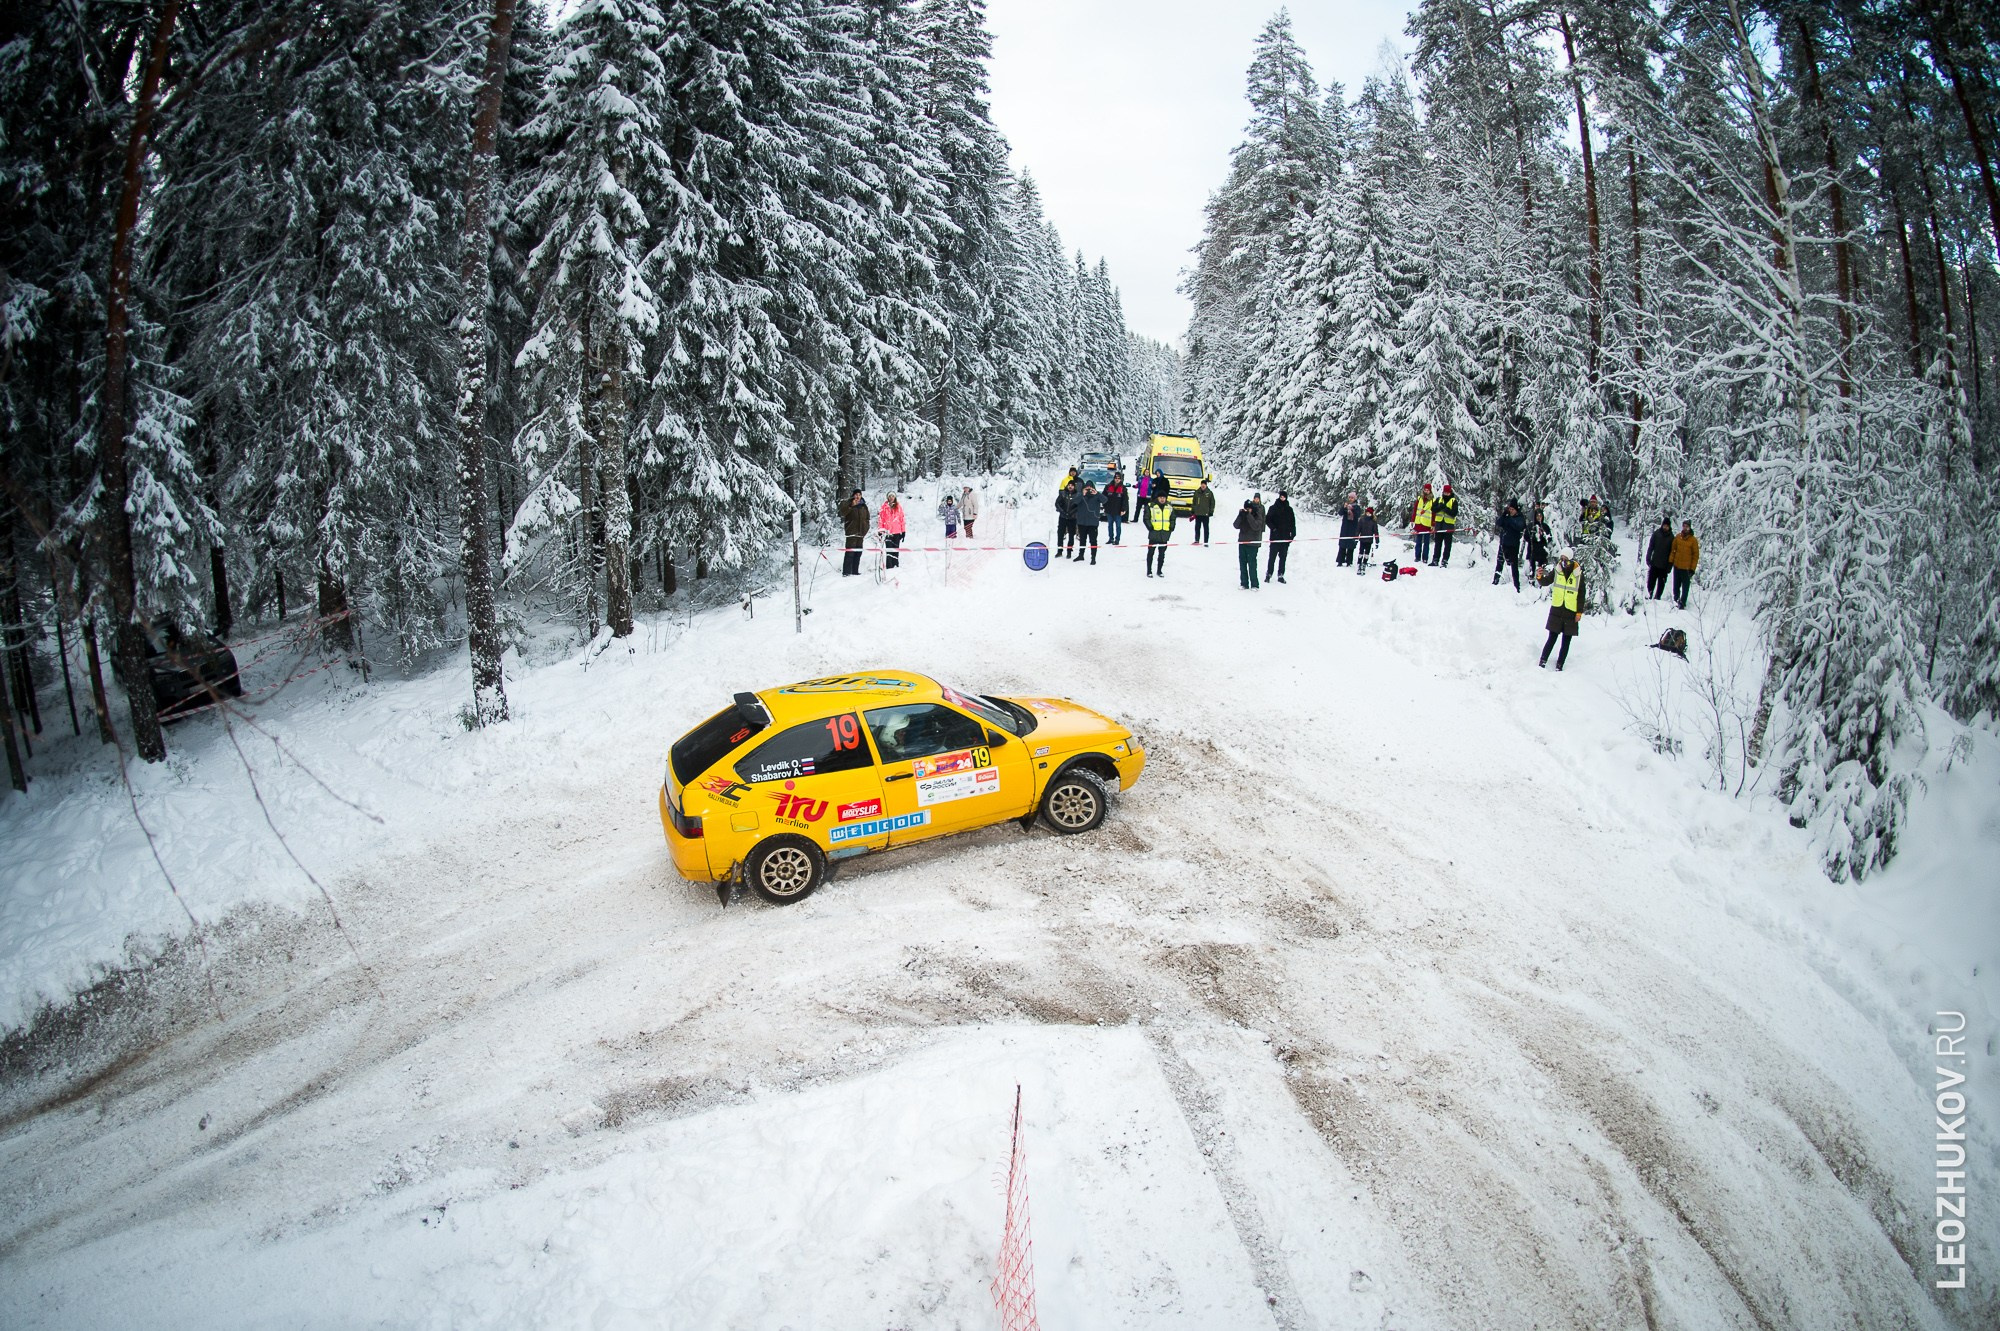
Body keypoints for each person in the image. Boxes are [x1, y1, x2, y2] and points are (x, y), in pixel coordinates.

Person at [1540, 547, 1585, 670]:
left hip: (1571, 611)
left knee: (1566, 641)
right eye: (1562, 558)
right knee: (1552, 637)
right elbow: (1546, 581)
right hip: (1557, 609)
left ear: (1571, 559)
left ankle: (1560, 665)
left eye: (1566, 559)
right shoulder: (1557, 570)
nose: (1563, 561)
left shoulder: (1578, 574)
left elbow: (1581, 594)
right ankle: (1542, 661)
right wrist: (1539, 577)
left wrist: (1579, 612)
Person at [1233, 497, 1266, 589]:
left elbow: (1256, 526)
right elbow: (1235, 525)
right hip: (1242, 542)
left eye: (1249, 509)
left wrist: (1249, 515)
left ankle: (1255, 584)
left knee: (1252, 564)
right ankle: (1244, 583)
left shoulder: (1257, 515)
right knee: (1242, 563)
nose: (1248, 510)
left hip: (1253, 543)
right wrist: (1240, 515)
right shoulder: (1243, 515)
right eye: (1246, 509)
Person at [1493, 501, 1526, 591]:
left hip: (1513, 545)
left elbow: (1519, 526)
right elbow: (1499, 523)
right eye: (1510, 509)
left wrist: (1510, 519)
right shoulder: (1506, 517)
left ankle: (1516, 586)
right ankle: (1495, 581)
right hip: (1503, 544)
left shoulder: (1520, 518)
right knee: (1499, 563)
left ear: (1516, 510)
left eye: (1512, 509)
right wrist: (1504, 515)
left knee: (1514, 566)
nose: (1511, 511)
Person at [1144, 488, 1176, 577]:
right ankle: (1149, 571)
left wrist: (1172, 527)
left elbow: (1173, 518)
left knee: (1162, 554)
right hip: (1154, 534)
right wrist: (1150, 527)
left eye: (1164, 497)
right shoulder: (1151, 506)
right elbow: (1146, 518)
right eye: (1160, 497)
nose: (1162, 499)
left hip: (1164, 535)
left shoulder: (1169, 507)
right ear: (1157, 498)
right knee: (1151, 553)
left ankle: (1159, 570)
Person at [1266, 491, 1296, 583]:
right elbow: (1267, 520)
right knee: (1272, 557)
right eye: (1281, 497)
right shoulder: (1273, 508)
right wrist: (1274, 529)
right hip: (1275, 537)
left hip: (1285, 538)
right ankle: (1269, 574)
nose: (1282, 498)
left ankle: (1281, 575)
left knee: (1283, 558)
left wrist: (1292, 535)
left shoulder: (1289, 509)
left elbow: (1292, 523)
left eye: (1284, 497)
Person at [1670, 521, 1700, 608]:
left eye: (1687, 527)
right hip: (1677, 566)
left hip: (1686, 568)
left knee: (1685, 588)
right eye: (1684, 526)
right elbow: (1673, 550)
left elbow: (1695, 555)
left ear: (1690, 528)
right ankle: (1675, 600)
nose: (1685, 528)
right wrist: (1670, 562)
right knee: (1676, 585)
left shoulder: (1693, 540)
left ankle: (1682, 603)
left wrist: (1692, 569)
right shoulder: (1678, 537)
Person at [841, 489, 870, 576]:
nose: (857, 496)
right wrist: (851, 506)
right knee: (850, 553)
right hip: (851, 533)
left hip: (860, 534)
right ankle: (846, 572)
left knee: (858, 553)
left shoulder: (864, 506)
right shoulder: (848, 504)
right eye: (856, 495)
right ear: (853, 496)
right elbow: (843, 513)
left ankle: (855, 571)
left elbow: (867, 518)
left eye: (859, 495)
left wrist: (865, 529)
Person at [1072, 483, 1103, 564]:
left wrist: (1097, 493)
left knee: (1093, 541)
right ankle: (1081, 555)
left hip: (1093, 523)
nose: (1089, 489)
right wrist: (1082, 494)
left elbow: (1105, 500)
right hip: (1082, 522)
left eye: (1090, 487)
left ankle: (1093, 558)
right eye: (1087, 487)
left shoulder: (1096, 495)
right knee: (1082, 540)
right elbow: (1074, 501)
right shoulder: (1081, 495)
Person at [1645, 518, 1674, 600]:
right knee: (1650, 582)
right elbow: (1651, 547)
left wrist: (1669, 566)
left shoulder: (1672, 538)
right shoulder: (1656, 534)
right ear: (1662, 525)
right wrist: (1648, 557)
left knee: (1661, 584)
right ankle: (1648, 596)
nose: (1665, 527)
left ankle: (1658, 598)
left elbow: (1672, 553)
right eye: (1664, 525)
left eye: (1667, 526)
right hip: (1654, 563)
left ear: (1669, 527)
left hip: (1664, 566)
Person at [1432, 483, 1459, 566]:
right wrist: (1439, 507)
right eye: (1445, 492)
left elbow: (1454, 513)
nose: (1446, 494)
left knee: (1447, 545)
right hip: (1439, 525)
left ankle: (1445, 560)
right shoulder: (1439, 499)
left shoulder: (1453, 501)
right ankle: (1435, 559)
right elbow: (1433, 509)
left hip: (1448, 526)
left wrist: (1446, 509)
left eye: (1448, 493)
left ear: (1450, 493)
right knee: (1437, 544)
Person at [879, 493, 906, 569]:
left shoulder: (899, 507)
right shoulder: (884, 507)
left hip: (897, 532)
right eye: (890, 496)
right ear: (887, 497)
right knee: (889, 550)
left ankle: (896, 565)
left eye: (893, 496)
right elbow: (881, 520)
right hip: (887, 532)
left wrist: (903, 531)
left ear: (895, 497)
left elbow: (902, 520)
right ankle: (889, 566)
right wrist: (880, 530)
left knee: (896, 549)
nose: (891, 498)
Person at [1526, 503, 1553, 581]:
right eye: (1537, 516)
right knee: (1532, 566)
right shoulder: (1531, 526)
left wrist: (1544, 537)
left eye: (1540, 516)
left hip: (1542, 550)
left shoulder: (1545, 526)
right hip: (1533, 549)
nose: (1539, 518)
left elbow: (1549, 538)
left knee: (1543, 567)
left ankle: (1543, 581)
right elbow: (1526, 537)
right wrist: (1532, 537)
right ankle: (1531, 579)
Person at [1412, 483, 1436, 565]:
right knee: (1418, 542)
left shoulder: (1432, 500)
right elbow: (1415, 510)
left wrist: (1433, 524)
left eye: (1428, 490)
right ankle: (1417, 557)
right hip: (1419, 523)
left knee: (1426, 542)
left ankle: (1425, 558)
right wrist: (1413, 520)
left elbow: (1434, 513)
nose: (1426, 491)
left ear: (1430, 491)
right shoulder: (1419, 499)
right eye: (1425, 490)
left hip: (1427, 524)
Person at [1054, 474, 1078, 557]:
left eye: (1072, 485)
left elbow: (1078, 506)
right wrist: (1062, 512)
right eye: (1069, 485)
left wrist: (1071, 512)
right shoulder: (1063, 493)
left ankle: (1069, 551)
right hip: (1063, 517)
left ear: (1074, 487)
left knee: (1071, 535)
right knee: (1060, 533)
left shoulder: (1077, 495)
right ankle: (1059, 550)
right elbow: (1057, 503)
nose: (1070, 487)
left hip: (1072, 518)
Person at [1104, 473, 1128, 545]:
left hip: (1118, 511)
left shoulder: (1123, 488)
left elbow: (1125, 500)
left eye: (1118, 478)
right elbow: (1103, 497)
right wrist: (1105, 506)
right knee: (1110, 525)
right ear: (1114, 478)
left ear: (1120, 479)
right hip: (1109, 510)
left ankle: (1117, 539)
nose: (1117, 479)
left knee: (1118, 526)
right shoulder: (1108, 486)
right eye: (1116, 478)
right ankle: (1111, 538)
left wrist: (1123, 509)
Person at [1336, 492, 1360, 565]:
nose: (1350, 499)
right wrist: (1344, 507)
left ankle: (1349, 561)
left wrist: (1352, 509)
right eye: (1349, 497)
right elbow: (1340, 513)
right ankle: (1340, 561)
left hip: (1353, 528)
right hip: (1345, 528)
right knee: (1342, 544)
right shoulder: (1346, 505)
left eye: (1352, 498)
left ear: (1355, 499)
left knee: (1350, 545)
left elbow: (1357, 515)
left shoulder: (1357, 507)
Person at [1355, 505, 1379, 575]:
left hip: (1369, 540)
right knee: (1361, 552)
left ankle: (1364, 564)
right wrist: (1356, 537)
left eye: (1370, 513)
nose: (1368, 514)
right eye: (1367, 513)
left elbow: (1376, 532)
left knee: (1366, 553)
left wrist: (1377, 541)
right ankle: (1359, 564)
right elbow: (1358, 529)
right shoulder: (1362, 520)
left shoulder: (1373, 522)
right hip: (1362, 540)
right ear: (1365, 513)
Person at [1191, 479, 1216, 545]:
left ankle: (1206, 541)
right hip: (1198, 513)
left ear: (1206, 485)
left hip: (1205, 514)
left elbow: (1212, 503)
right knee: (1197, 528)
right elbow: (1194, 502)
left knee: (1206, 529)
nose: (1203, 485)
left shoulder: (1209, 493)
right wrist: (1193, 510)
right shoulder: (1197, 492)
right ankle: (1197, 540)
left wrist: (1211, 511)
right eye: (1202, 484)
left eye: (1204, 484)